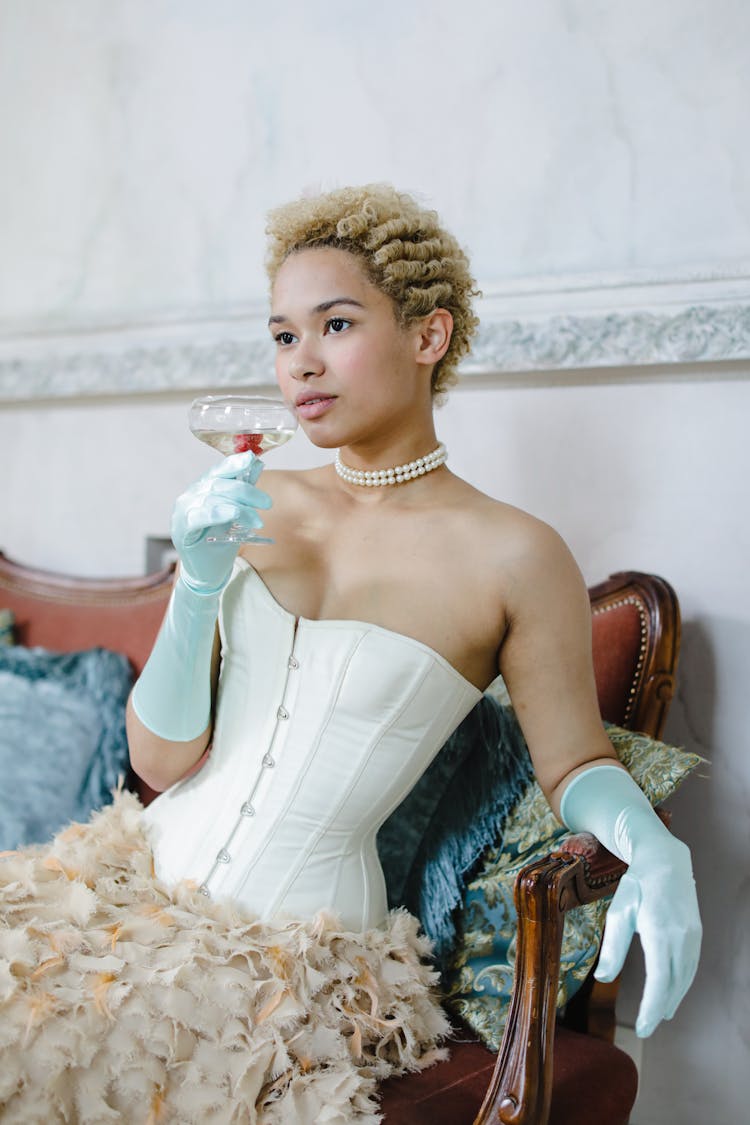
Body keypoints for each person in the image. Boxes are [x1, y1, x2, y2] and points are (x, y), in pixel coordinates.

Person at [0, 184, 700, 1124]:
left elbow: (571, 760)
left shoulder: (514, 553)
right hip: (122, 892)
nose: (302, 362)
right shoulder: (250, 498)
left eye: (335, 324)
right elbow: (160, 762)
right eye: (284, 335)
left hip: (298, 955)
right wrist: (198, 584)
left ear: (428, 336)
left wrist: (649, 838)